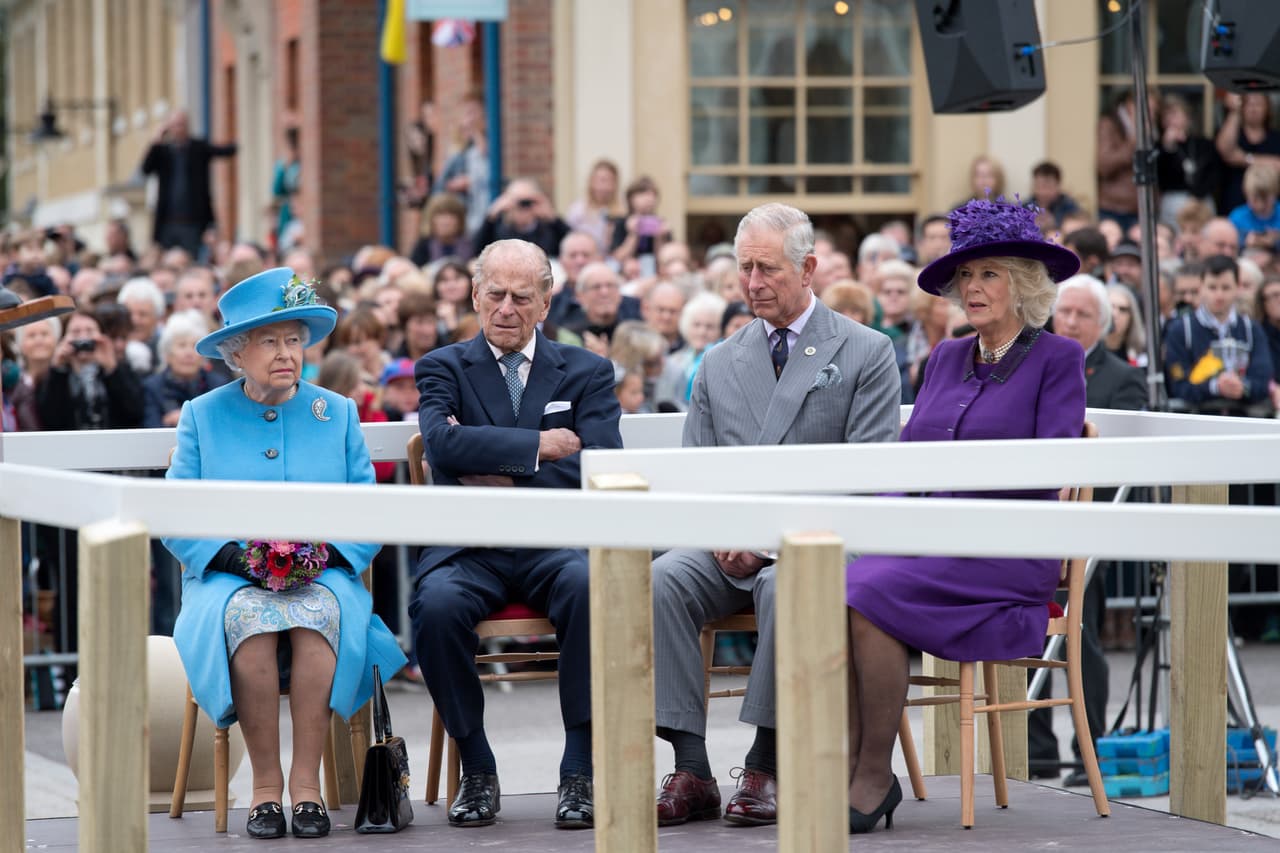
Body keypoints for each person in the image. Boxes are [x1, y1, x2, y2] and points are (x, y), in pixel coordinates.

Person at [650, 203, 900, 829]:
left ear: (809, 267)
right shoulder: (718, 360)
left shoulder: (867, 351)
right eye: (745, 269)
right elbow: (696, 474)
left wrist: (765, 543)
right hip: (724, 544)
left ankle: (767, 763)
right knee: (661, 580)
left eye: (768, 270)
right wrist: (719, 534)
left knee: (783, 584)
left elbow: (865, 481)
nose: (753, 283)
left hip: (816, 546)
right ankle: (692, 766)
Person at [844, 197, 1085, 833]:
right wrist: (884, 519)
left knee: (864, 591)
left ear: (1024, 284)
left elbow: (1050, 471)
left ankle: (869, 776)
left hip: (1005, 556)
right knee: (839, 583)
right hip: (929, 547)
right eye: (966, 277)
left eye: (990, 275)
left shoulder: (1058, 360)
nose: (972, 289)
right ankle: (852, 768)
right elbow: (908, 461)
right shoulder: (947, 357)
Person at [162, 268, 406, 839]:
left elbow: (367, 509)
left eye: (293, 340)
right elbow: (172, 513)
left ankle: (306, 789)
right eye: (269, 341)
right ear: (236, 353)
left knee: (317, 617)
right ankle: (265, 791)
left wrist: (324, 557)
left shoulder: (338, 412)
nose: (285, 353)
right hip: (227, 579)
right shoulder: (202, 415)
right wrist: (231, 559)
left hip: (325, 574)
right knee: (251, 623)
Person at [409, 239, 623, 830]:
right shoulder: (442, 366)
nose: (506, 308)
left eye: (521, 296)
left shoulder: (586, 371)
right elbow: (442, 447)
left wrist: (497, 471)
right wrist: (538, 448)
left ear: (546, 301)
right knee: (437, 605)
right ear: (475, 296)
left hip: (555, 542)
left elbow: (599, 463)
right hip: (468, 545)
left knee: (588, 586)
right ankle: (476, 767)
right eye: (495, 294)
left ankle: (578, 770)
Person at [1165, 254, 1274, 416]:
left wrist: (1242, 388)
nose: (1219, 295)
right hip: (1197, 424)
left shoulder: (1251, 329)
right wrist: (1215, 386)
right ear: (1201, 287)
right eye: (1212, 287)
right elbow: (1178, 385)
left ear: (1237, 288)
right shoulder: (1180, 330)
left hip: (1242, 424)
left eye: (1226, 287)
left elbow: (1263, 380)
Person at [140, 111, 237, 256]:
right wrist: (157, 139)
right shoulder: (163, 151)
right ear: (169, 128)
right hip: (168, 222)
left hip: (193, 222)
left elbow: (224, 151)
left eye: (181, 125)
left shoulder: (198, 148)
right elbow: (146, 169)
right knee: (168, 260)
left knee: (192, 258)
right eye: (175, 125)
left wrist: (239, 143)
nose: (178, 129)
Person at [142, 310, 226, 428]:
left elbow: (222, 425)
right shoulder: (152, 387)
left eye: (194, 346)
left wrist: (185, 418)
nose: (189, 353)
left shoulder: (218, 385)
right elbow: (150, 430)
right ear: (167, 353)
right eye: (182, 345)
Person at [654, 291, 725, 412]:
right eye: (696, 325)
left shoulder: (723, 362)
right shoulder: (674, 359)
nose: (702, 332)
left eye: (710, 326)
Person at [1216, 92, 1280, 214]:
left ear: (1268, 108)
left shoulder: (1276, 138)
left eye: (1258, 104)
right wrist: (1234, 112)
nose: (1253, 108)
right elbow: (1225, 151)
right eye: (1249, 104)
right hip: (1233, 205)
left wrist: (1245, 158)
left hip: (1270, 210)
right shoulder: (1234, 134)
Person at [565, 158, 621, 254]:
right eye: (600, 180)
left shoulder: (622, 211)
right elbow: (568, 238)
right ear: (591, 182)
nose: (603, 186)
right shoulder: (577, 209)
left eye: (609, 181)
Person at [270, 127, 302, 251]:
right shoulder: (284, 166)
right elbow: (276, 190)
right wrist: (285, 166)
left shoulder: (302, 165)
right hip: (288, 213)